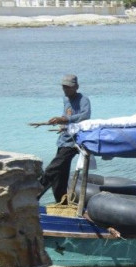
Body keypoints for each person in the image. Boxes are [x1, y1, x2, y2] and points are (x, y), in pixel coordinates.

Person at [39, 74, 91, 202]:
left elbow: (85, 115)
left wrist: (65, 119)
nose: (65, 90)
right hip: (63, 140)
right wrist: (62, 124)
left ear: (76, 87)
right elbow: (66, 115)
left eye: (68, 87)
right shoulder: (65, 99)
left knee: (52, 169)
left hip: (73, 142)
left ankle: (34, 194)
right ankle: (62, 205)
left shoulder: (83, 99)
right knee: (60, 175)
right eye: (64, 87)